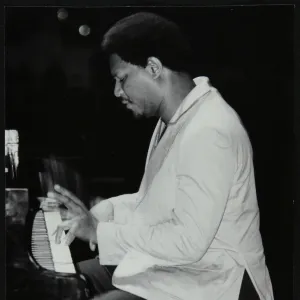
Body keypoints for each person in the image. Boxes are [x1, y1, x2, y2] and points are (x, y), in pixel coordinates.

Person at [44, 12, 274, 300]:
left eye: (122, 79)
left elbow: (188, 241)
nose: (117, 92)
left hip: (217, 284)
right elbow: (156, 202)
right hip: (182, 271)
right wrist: (103, 212)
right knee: (63, 282)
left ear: (153, 67)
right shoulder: (175, 119)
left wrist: (100, 232)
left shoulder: (209, 130)